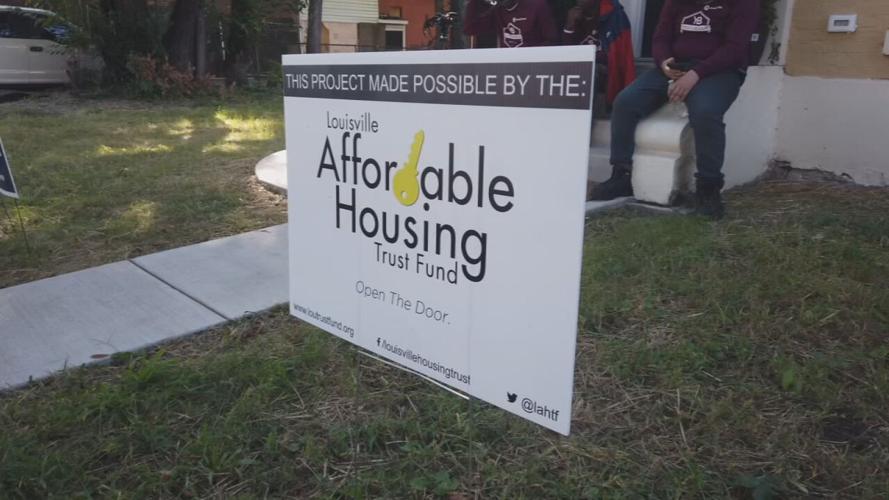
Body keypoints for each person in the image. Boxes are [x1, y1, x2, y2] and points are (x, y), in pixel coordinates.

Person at [589, 0, 760, 219]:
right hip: (675, 68)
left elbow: (735, 48)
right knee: (625, 102)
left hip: (719, 71)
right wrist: (664, 62)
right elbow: (661, 37)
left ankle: (708, 188)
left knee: (706, 112)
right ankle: (622, 175)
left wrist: (697, 73)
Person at [561, 0, 636, 105]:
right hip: (577, 68)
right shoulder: (575, 15)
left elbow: (621, 57)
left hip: (604, 72)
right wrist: (569, 28)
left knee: (591, 71)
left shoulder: (614, 16)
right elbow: (565, 55)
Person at [464, 0, 560, 48]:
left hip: (533, 67)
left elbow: (552, 41)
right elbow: (470, 29)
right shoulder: (497, 10)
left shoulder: (537, 5)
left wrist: (530, 56)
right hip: (508, 68)